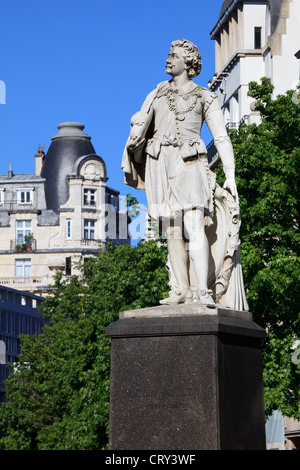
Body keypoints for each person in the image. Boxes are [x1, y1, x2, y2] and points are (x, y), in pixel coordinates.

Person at [122, 39, 237, 307]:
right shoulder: (157, 92)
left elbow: (221, 137)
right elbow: (140, 126)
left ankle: (202, 291)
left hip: (190, 163)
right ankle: (182, 290)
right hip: (160, 162)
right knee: (171, 229)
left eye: (173, 55)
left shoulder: (204, 96)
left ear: (188, 63)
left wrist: (229, 174)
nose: (167, 59)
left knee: (194, 224)